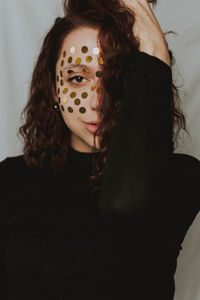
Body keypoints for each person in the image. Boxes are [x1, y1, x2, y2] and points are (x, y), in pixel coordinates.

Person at [0, 0, 199, 299]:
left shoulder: (180, 178)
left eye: (117, 78)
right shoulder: (9, 180)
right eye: (77, 78)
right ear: (54, 88)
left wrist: (154, 50)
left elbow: (125, 201)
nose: (96, 103)